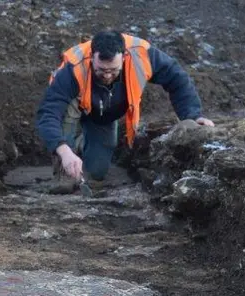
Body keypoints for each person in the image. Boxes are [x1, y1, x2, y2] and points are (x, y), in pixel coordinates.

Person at [36, 30, 214, 194]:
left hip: (103, 113)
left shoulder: (142, 55)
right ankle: (65, 168)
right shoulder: (73, 68)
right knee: (68, 158)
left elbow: (177, 79)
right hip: (74, 106)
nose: (106, 76)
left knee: (97, 172)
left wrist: (193, 116)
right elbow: (48, 113)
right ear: (92, 58)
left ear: (124, 57)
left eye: (112, 71)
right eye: (101, 70)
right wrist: (64, 151)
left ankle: (81, 143)